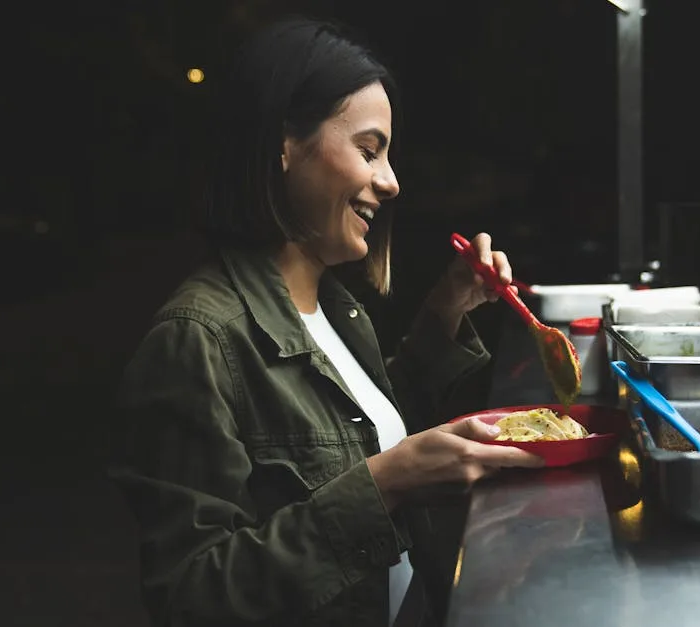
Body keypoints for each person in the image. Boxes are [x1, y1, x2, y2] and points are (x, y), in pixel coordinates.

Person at [107, 17, 544, 627]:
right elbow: (192, 597)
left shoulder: (336, 308)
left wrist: (445, 314)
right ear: (283, 144)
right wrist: (384, 485)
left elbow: (353, 433)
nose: (391, 182)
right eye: (369, 150)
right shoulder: (194, 340)